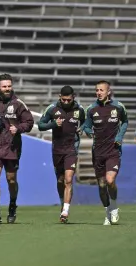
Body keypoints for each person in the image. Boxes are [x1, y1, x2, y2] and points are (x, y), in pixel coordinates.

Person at [0, 74, 34, 224]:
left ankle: (12, 205)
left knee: (11, 180)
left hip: (12, 148)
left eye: (9, 86)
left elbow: (30, 122)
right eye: (4, 86)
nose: (7, 89)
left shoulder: (18, 104)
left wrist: (18, 128)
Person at [82, 80, 128, 225]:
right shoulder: (91, 109)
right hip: (98, 152)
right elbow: (87, 126)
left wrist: (119, 137)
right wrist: (89, 132)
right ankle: (107, 211)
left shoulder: (118, 107)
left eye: (101, 90)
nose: (99, 93)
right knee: (102, 185)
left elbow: (125, 122)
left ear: (108, 92)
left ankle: (114, 207)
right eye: (97, 90)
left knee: (110, 181)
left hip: (113, 151)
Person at [38, 86, 85, 223]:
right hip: (57, 150)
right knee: (60, 180)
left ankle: (65, 211)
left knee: (68, 179)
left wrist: (82, 128)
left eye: (68, 100)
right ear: (59, 97)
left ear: (73, 97)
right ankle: (62, 202)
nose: (65, 102)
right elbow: (41, 125)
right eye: (63, 99)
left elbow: (87, 121)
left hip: (71, 148)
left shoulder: (79, 110)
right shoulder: (52, 108)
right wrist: (53, 124)